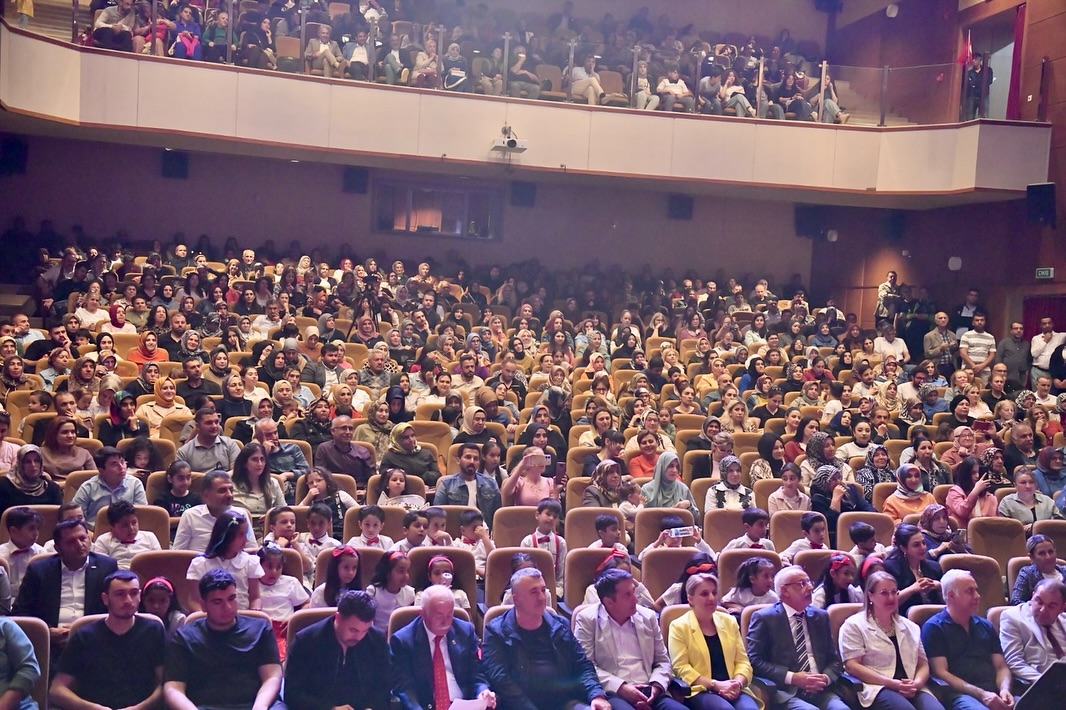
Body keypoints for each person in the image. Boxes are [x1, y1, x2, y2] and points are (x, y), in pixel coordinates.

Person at [483, 567, 611, 710]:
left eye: (543, 590)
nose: (542, 597)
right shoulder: (496, 632)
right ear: (516, 599)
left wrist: (596, 695)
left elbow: (582, 665)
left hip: (564, 702)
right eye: (534, 592)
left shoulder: (561, 625)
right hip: (519, 705)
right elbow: (501, 680)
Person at [163, 568, 282, 710]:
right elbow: (173, 687)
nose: (228, 607)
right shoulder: (184, 637)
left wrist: (260, 706)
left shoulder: (261, 629)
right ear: (203, 605)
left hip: (255, 704)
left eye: (232, 598)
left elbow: (272, 676)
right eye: (217, 602)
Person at [50, 570, 165, 710]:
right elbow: (57, 690)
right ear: (105, 599)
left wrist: (139, 708)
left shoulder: (154, 631)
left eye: (134, 593)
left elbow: (165, 684)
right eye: (120, 594)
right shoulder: (84, 636)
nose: (128, 600)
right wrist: (92, 708)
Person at [573, 567, 684, 710]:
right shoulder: (587, 620)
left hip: (649, 689)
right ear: (609, 602)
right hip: (613, 693)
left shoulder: (648, 617)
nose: (635, 599)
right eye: (627, 595)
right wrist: (621, 687)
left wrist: (656, 686)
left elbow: (663, 661)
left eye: (633, 592)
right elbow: (585, 667)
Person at [745, 565, 848, 710]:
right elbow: (755, 661)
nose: (810, 588)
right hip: (786, 692)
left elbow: (834, 659)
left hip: (821, 690)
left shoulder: (820, 616)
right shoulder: (765, 618)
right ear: (785, 590)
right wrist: (792, 677)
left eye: (809, 582)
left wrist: (825, 678)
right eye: (802, 584)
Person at [838, 570, 943, 710]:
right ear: (870, 595)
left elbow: (923, 664)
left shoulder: (910, 626)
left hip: (910, 685)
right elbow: (852, 666)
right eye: (884, 593)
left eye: (894, 592)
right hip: (877, 686)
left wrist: (917, 684)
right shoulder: (854, 625)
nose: (891, 597)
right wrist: (892, 684)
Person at [390, 584, 496, 709]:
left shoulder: (465, 631)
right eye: (439, 615)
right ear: (423, 614)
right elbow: (405, 688)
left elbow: (476, 673)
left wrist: (482, 691)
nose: (446, 622)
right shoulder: (403, 641)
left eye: (449, 614)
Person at [921, 570, 1015, 710]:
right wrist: (981, 694)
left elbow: (1001, 666)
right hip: (961, 695)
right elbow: (941, 673)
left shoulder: (986, 625)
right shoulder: (934, 628)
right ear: (951, 595)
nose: (977, 596)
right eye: (970, 591)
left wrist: (1004, 689)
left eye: (976, 590)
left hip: (994, 692)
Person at [666, 571, 760, 710]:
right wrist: (716, 685)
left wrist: (737, 683)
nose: (711, 597)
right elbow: (681, 668)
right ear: (690, 598)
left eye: (714, 593)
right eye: (704, 594)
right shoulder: (679, 626)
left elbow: (742, 661)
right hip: (702, 689)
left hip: (734, 687)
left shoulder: (729, 621)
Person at [13, 519, 118, 641]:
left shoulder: (107, 567)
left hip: (93, 639)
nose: (79, 545)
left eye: (83, 538)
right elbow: (21, 612)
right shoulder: (39, 570)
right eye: (71, 542)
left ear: (89, 539)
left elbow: (115, 608)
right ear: (58, 548)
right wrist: (46, 632)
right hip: (51, 640)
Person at [284, 589, 391, 710]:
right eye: (353, 630)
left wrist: (373, 707)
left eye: (365, 630)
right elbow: (292, 694)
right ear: (338, 617)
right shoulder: (305, 642)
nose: (359, 637)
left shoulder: (377, 640)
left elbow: (384, 687)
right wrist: (330, 709)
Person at [999, 578, 1066, 685]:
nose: (1043, 610)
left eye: (1051, 606)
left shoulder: (1064, 620)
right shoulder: (1012, 618)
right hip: (1039, 684)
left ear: (1062, 608)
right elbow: (1014, 662)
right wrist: (1047, 683)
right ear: (1032, 596)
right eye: (1039, 602)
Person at [172, 470, 255, 552]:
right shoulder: (190, 516)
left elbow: (252, 550)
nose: (229, 495)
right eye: (222, 491)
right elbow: (178, 553)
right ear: (206, 495)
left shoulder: (241, 514)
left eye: (231, 490)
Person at [70, 445, 148, 530]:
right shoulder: (87, 488)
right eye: (114, 464)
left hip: (128, 532)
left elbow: (142, 515)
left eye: (122, 462)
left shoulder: (135, 484)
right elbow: (74, 517)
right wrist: (87, 532)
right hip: (94, 533)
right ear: (101, 470)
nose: (121, 467)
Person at [433, 441, 502, 527]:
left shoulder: (491, 483)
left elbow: (498, 517)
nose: (472, 461)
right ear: (458, 460)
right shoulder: (446, 484)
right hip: (455, 532)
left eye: (476, 458)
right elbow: (436, 515)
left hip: (484, 532)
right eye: (468, 457)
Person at [313, 415, 376, 488]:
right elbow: (320, 476)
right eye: (343, 428)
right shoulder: (324, 449)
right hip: (332, 490)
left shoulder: (363, 451)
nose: (348, 432)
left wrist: (365, 491)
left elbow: (371, 479)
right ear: (333, 431)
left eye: (350, 429)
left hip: (358, 490)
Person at [1009, 534, 1066, 605]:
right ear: (1032, 557)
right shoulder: (1027, 574)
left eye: (1051, 552)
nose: (1048, 557)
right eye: (1042, 553)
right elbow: (1015, 602)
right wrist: (1039, 606)